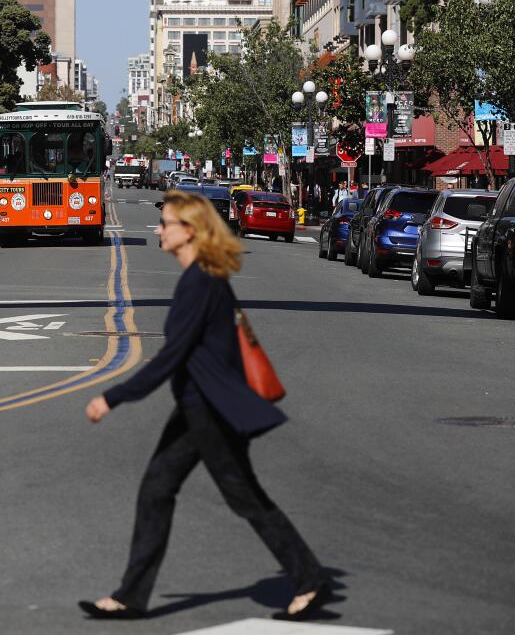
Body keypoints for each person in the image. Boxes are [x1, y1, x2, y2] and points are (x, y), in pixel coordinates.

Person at [80, 190, 330, 621]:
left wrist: (112, 396)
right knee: (158, 490)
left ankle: (308, 578)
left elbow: (172, 354)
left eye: (166, 223)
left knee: (243, 498)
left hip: (210, 410)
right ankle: (130, 596)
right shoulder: (201, 277)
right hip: (199, 406)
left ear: (189, 231)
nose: (158, 229)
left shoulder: (200, 281)